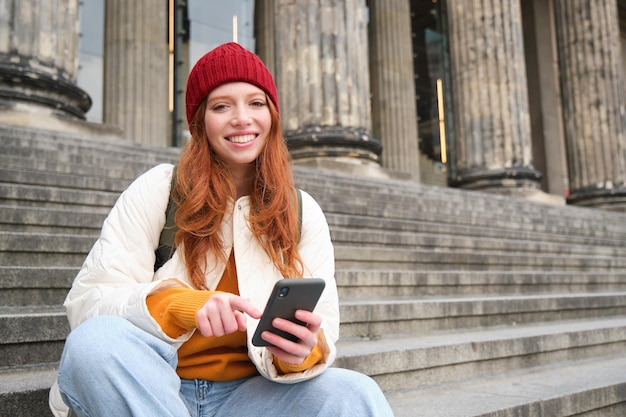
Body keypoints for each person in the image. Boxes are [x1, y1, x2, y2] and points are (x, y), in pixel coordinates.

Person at [49, 42, 393, 417]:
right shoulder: (159, 189)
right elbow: (88, 303)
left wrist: (299, 352)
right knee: (93, 344)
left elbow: (323, 329)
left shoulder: (302, 211)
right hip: (154, 387)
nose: (242, 118)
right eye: (221, 106)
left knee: (355, 392)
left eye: (256, 103)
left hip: (251, 398)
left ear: (272, 116)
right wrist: (180, 305)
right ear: (200, 121)